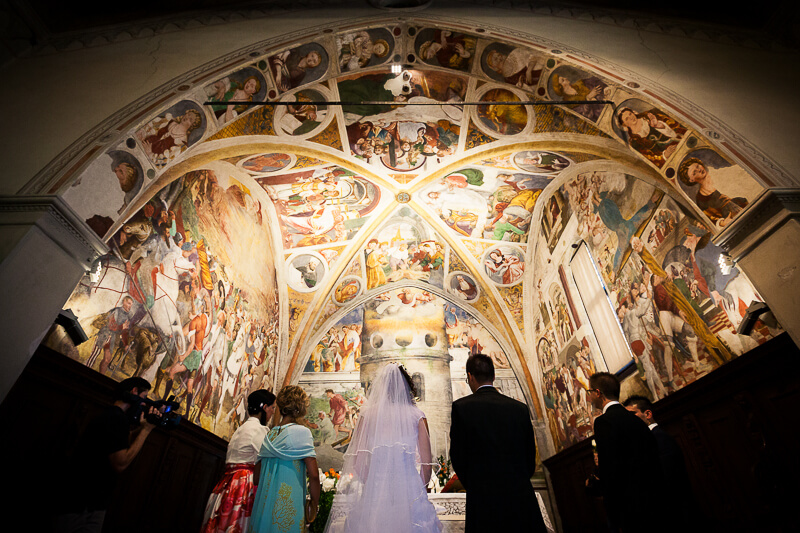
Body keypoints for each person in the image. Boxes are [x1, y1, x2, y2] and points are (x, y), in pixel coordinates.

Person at [323, 363, 442, 533]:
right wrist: (419, 490)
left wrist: (371, 482)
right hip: (409, 490)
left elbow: (357, 460)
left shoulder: (367, 415)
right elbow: (426, 462)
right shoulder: (417, 416)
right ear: (406, 386)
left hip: (376, 488)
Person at [449, 354, 546, 532]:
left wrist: (475, 483)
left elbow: (457, 456)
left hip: (483, 499)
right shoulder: (519, 409)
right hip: (520, 495)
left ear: (470, 376)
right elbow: (529, 455)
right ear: (493, 376)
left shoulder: (461, 408)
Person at [53, 377, 158, 533]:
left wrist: (140, 429)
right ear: (134, 392)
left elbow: (118, 442)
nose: (143, 404)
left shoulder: (110, 416)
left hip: (83, 502)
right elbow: (120, 463)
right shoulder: (117, 419)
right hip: (82, 506)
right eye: (143, 398)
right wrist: (146, 431)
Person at [587, 372, 664, 533]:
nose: (589, 397)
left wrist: (613, 512)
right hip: (653, 500)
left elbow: (610, 467)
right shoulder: (636, 420)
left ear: (598, 393)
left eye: (590, 392)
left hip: (627, 505)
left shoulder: (603, 421)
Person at [201, 389, 276, 533]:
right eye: (272, 408)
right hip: (243, 484)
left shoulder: (240, 429)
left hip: (227, 483)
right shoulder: (259, 430)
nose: (272, 412)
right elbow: (265, 461)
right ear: (264, 407)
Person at [623, 395, 702, 530]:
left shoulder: (659, 437)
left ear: (647, 414)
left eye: (632, 414)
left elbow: (669, 478)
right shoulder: (644, 441)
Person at [249, 385, 321, 533]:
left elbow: (256, 478)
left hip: (264, 508)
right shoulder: (303, 432)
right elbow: (313, 475)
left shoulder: (270, 435)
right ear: (302, 408)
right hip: (288, 506)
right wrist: (314, 503)